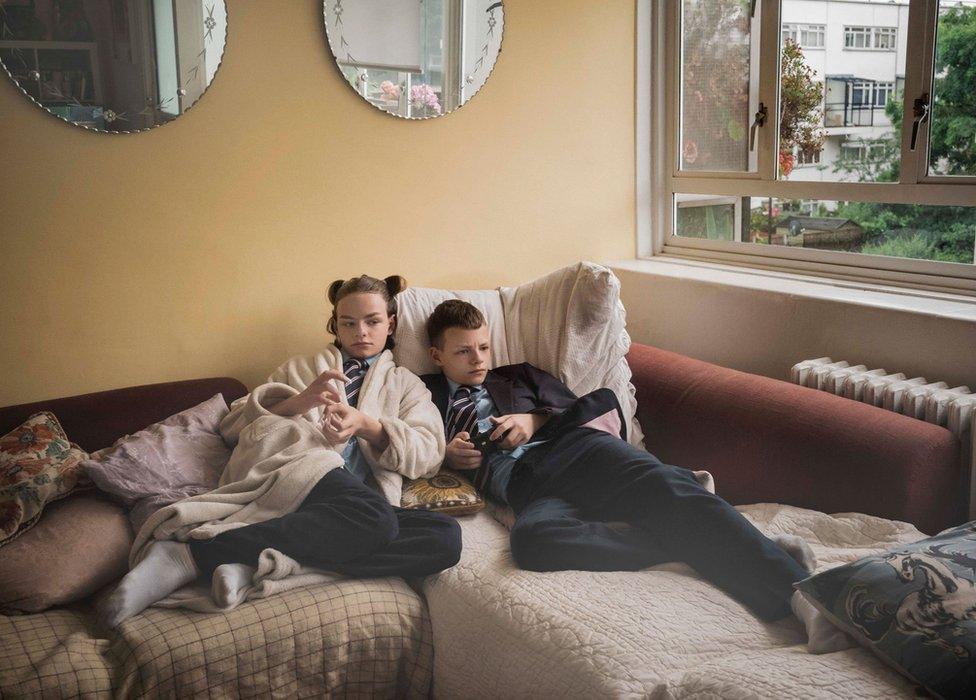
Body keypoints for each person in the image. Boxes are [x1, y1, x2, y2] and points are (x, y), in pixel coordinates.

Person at [420, 299, 850, 654]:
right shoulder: (422, 394)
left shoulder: (519, 375)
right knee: (534, 543)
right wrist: (448, 456)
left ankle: (800, 594)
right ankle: (696, 536)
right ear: (437, 355)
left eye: (483, 348)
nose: (478, 359)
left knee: (662, 486)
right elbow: (407, 447)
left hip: (573, 451)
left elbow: (573, 405)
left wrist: (533, 420)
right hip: (524, 488)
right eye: (463, 351)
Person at [101, 275, 460, 626]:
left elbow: (430, 453)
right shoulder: (301, 369)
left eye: (372, 321)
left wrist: (370, 426)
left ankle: (258, 561)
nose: (361, 332)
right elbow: (234, 426)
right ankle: (187, 557)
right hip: (295, 478)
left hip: (353, 507)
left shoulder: (407, 385)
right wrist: (298, 402)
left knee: (443, 538)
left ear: (391, 323)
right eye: (348, 323)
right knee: (375, 519)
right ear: (335, 326)